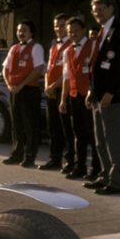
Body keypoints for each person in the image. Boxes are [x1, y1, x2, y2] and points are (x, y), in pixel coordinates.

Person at [85, 0, 120, 195]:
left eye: (102, 9)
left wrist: (111, 92)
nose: (98, 13)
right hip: (98, 94)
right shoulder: (101, 32)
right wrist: (91, 90)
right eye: (95, 10)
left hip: (112, 96)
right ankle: (105, 176)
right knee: (100, 139)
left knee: (113, 139)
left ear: (111, 9)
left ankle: (117, 182)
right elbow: (97, 66)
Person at [1, 20, 45, 167]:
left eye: (24, 30)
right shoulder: (14, 48)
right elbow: (5, 68)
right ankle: (16, 153)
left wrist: (21, 84)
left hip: (29, 90)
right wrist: (9, 84)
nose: (21, 33)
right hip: (14, 90)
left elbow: (38, 69)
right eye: (19, 30)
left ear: (31, 32)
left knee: (30, 125)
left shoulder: (36, 47)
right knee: (16, 124)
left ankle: (30, 156)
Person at [59, 17, 96, 181]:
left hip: (89, 96)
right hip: (74, 96)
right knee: (78, 134)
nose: (73, 34)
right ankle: (79, 166)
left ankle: (96, 169)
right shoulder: (67, 51)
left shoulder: (93, 46)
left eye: (76, 30)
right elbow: (66, 77)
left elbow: (97, 73)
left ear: (83, 30)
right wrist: (63, 100)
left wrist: (92, 92)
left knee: (93, 135)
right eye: (70, 32)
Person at [40, 13, 75, 173]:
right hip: (51, 91)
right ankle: (54, 159)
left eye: (61, 26)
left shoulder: (70, 46)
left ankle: (70, 161)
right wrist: (48, 86)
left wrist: (53, 86)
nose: (58, 29)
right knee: (52, 127)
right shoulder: (54, 46)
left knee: (66, 128)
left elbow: (67, 73)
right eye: (56, 26)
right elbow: (48, 69)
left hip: (62, 90)